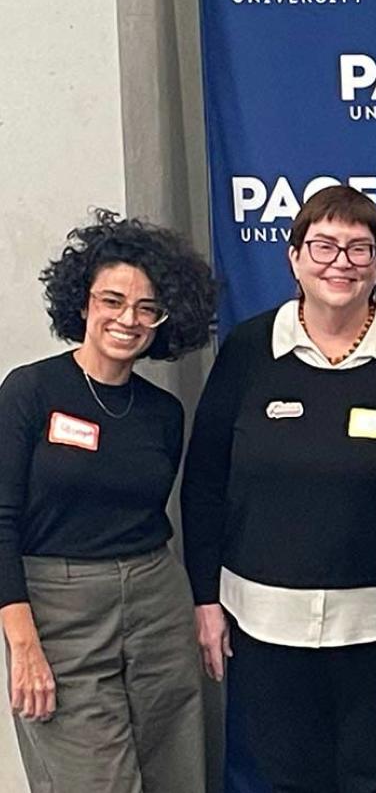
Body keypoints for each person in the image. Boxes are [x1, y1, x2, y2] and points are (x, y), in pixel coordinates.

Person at [181, 187, 376, 792]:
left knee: (374, 779)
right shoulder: (249, 349)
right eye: (324, 245)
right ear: (294, 256)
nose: (341, 263)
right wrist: (205, 599)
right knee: (284, 780)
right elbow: (204, 481)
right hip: (262, 626)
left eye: (359, 248)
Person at [0, 210, 216, 791]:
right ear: (83, 303)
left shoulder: (163, 413)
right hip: (60, 609)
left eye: (148, 308)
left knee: (177, 776)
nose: (128, 319)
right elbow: (1, 520)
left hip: (157, 603)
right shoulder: (30, 390)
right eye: (113, 301)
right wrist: (22, 643)